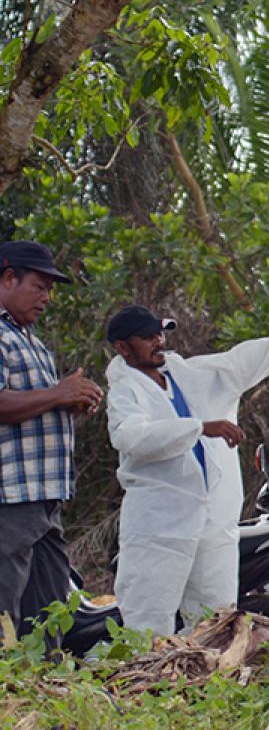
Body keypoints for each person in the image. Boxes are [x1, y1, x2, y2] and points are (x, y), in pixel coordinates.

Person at [105, 290, 269, 636]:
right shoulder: (125, 393)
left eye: (160, 333)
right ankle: (149, 688)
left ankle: (208, 686)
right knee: (147, 622)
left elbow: (258, 355)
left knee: (216, 620)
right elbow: (132, 438)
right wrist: (200, 428)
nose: (159, 342)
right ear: (122, 348)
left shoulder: (195, 375)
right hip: (159, 525)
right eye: (146, 337)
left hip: (214, 520)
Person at [0, 240, 103, 636]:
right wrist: (59, 394)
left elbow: (31, 406)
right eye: (39, 287)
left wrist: (70, 404)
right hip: (9, 498)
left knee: (49, 611)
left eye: (50, 291)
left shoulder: (34, 343)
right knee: (4, 606)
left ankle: (38, 689)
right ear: (9, 278)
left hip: (46, 498)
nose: (46, 298)